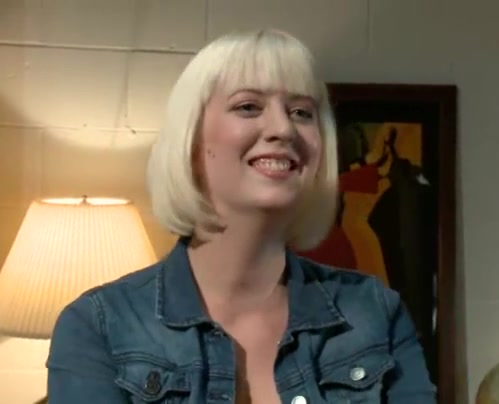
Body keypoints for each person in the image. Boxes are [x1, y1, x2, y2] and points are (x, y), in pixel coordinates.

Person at [45, 29, 436, 403]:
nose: (283, 128)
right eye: (248, 106)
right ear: (191, 139)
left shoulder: (373, 311)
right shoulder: (100, 326)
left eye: (301, 112)